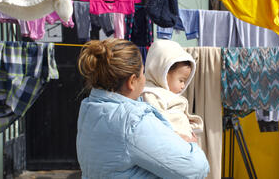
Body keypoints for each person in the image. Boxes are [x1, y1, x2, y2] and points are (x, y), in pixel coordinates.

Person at [76, 38, 209, 179]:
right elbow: (195, 169)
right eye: (142, 73)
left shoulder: (90, 107)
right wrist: (191, 144)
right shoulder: (133, 121)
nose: (145, 79)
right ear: (132, 81)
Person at [142, 40, 203, 143]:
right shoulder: (150, 94)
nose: (183, 86)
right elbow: (157, 124)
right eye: (181, 80)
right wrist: (180, 136)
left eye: (185, 81)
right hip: (173, 144)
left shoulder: (167, 95)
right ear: (163, 73)